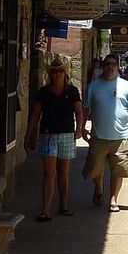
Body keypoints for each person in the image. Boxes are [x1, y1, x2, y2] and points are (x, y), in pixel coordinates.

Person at [81, 54, 128, 212]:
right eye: (107, 64)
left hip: (120, 137)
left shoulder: (126, 86)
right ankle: (99, 186)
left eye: (113, 64)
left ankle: (113, 199)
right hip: (98, 137)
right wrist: (81, 127)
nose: (110, 67)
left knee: (118, 170)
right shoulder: (94, 86)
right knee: (94, 170)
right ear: (103, 66)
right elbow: (86, 107)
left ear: (118, 66)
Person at [24, 58, 83, 222]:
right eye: (54, 71)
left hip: (66, 134)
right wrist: (28, 135)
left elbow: (78, 111)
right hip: (48, 135)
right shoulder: (43, 92)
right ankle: (45, 210)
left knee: (64, 172)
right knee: (49, 173)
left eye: (60, 71)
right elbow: (35, 115)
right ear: (50, 74)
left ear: (65, 73)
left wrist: (79, 129)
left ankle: (64, 205)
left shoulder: (72, 91)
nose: (57, 74)